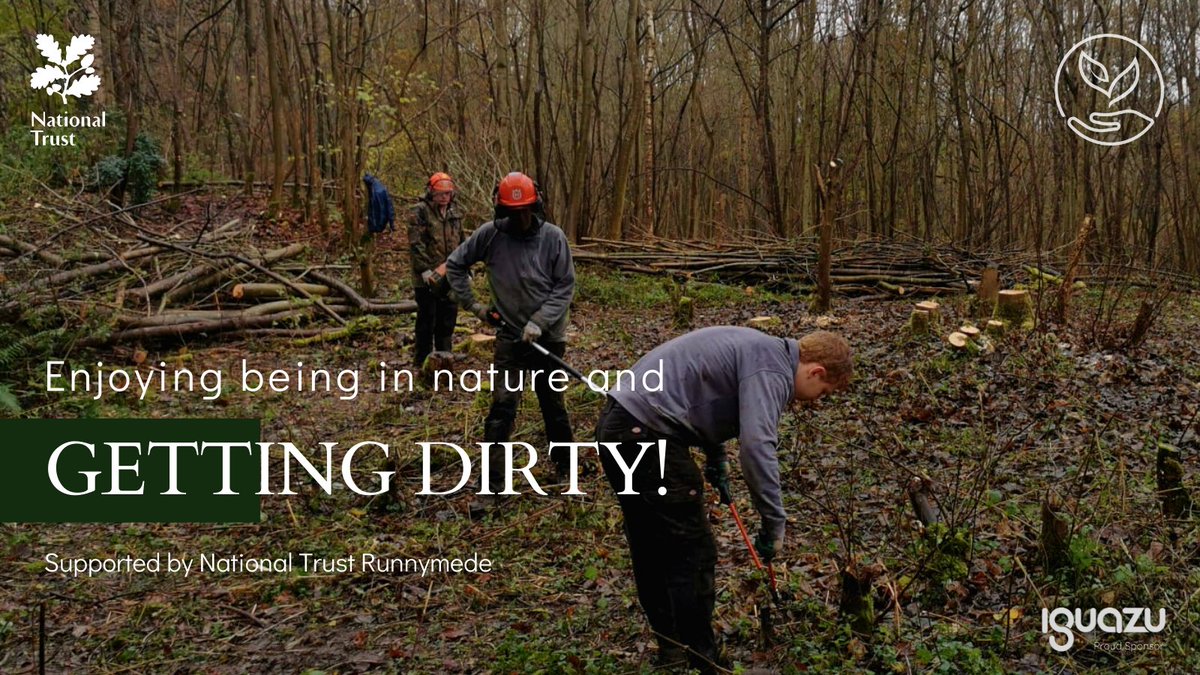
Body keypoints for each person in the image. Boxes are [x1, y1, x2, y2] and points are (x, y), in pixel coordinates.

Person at [596, 327, 853, 672]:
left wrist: (716, 460)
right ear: (816, 371)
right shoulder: (773, 369)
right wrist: (775, 523)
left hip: (621, 427)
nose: (814, 400)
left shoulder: (760, 350)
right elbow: (757, 446)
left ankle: (672, 649)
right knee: (692, 552)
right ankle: (703, 658)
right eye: (822, 393)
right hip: (645, 434)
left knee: (652, 544)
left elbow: (704, 399)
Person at [445, 172, 577, 513]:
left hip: (548, 338)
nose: (519, 218)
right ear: (500, 208)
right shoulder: (490, 236)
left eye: (525, 210)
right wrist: (474, 306)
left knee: (552, 404)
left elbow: (564, 286)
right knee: (501, 409)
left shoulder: (553, 238)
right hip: (509, 339)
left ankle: (565, 468)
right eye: (512, 211)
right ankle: (491, 487)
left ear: (536, 205)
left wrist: (539, 321)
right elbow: (455, 265)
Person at [408, 172, 464, 367]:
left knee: (447, 318)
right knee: (427, 318)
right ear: (431, 192)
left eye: (447, 193)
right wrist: (423, 269)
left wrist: (464, 267)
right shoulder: (420, 211)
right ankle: (422, 360)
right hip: (427, 275)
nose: (444, 197)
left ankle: (445, 358)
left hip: (450, 274)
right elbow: (416, 243)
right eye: (440, 193)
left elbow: (462, 242)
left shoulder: (454, 212)